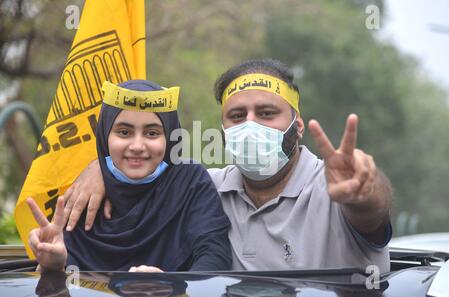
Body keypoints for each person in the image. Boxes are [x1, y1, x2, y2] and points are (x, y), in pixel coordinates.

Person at [63, 59, 393, 273]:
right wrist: (101, 167)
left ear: (298, 126)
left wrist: (365, 191)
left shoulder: (333, 186)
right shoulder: (204, 187)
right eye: (237, 116)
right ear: (222, 129)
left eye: (266, 114)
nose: (250, 126)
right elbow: (143, 174)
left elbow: (371, 213)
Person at [26, 79, 232, 273]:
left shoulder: (189, 181)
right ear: (105, 136)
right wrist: (53, 266)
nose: (137, 146)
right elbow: (62, 284)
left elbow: (214, 255)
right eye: (124, 132)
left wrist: (174, 287)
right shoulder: (80, 196)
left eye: (152, 133)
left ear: (170, 137)